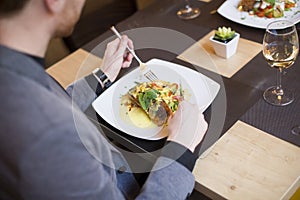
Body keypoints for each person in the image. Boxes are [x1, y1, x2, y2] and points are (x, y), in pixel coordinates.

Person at [0, 0, 208, 199]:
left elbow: (55, 104)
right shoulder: (49, 135)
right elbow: (52, 123)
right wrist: (179, 152)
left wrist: (102, 75)